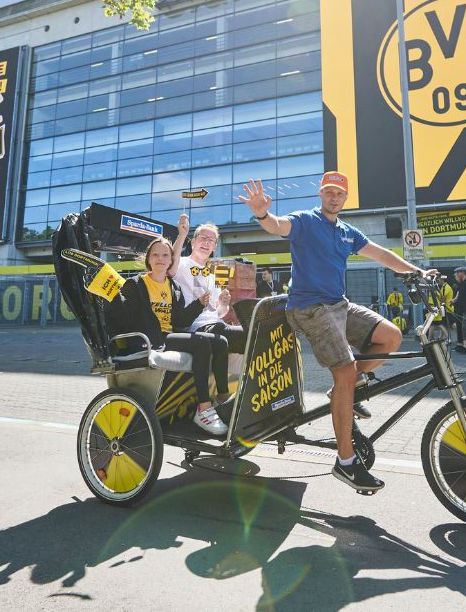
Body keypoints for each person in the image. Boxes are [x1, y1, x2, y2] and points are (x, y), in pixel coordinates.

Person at [239, 172, 437, 494]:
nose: (333, 197)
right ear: (321, 194)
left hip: (338, 305)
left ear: (345, 198)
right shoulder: (305, 220)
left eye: (339, 193)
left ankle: (343, 391)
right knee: (345, 373)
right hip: (308, 308)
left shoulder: (347, 232)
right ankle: (345, 462)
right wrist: (262, 213)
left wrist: (416, 271)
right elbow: (278, 226)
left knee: (390, 337)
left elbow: (382, 254)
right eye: (328, 192)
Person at [106, 236, 230, 435]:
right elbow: (120, 316)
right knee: (201, 344)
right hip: (147, 340)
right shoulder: (135, 284)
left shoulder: (173, 286)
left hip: (167, 336)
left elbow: (180, 321)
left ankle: (223, 399)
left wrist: (198, 304)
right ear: (148, 259)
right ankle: (204, 409)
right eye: (155, 255)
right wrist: (111, 298)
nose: (160, 258)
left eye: (165, 255)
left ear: (171, 260)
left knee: (221, 342)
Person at [173, 219, 246, 368]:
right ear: (193, 242)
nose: (206, 243)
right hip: (194, 326)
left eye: (211, 240)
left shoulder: (214, 275)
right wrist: (182, 235)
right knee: (249, 334)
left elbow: (219, 313)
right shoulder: (181, 263)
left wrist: (224, 303)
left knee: (253, 338)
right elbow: (170, 262)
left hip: (215, 324)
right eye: (203, 238)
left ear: (214, 246)